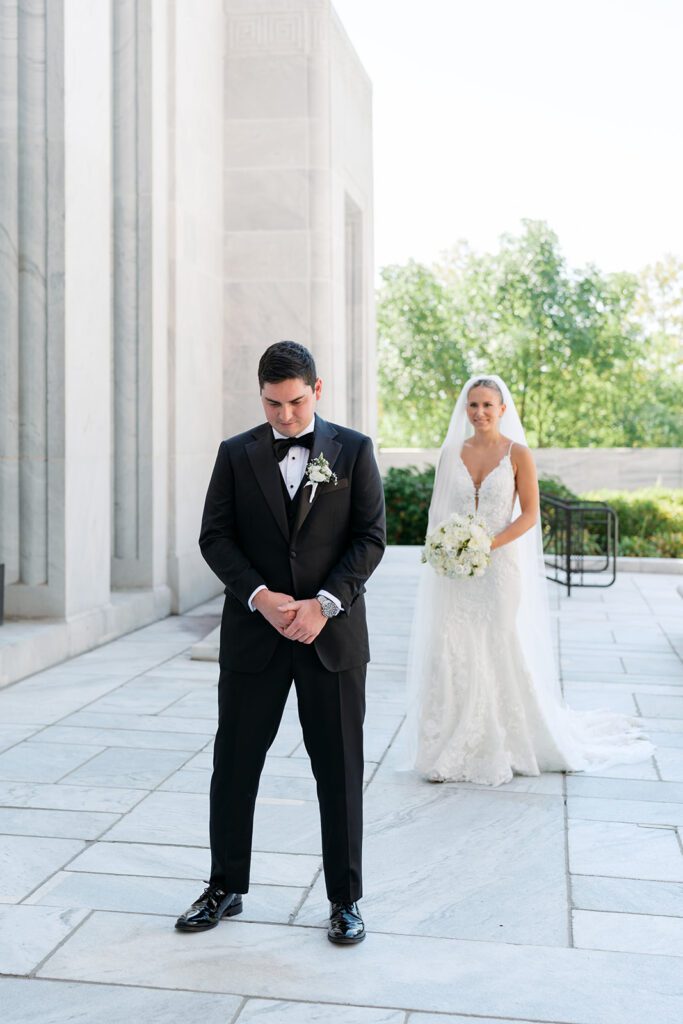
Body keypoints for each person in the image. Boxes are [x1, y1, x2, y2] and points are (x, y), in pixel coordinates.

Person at [175, 341, 386, 944]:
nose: (284, 416)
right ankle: (224, 887)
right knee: (235, 765)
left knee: (339, 770)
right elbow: (214, 538)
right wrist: (260, 596)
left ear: (317, 391)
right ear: (260, 395)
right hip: (255, 636)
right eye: (272, 404)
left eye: (295, 402)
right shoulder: (235, 454)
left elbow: (370, 540)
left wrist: (324, 604)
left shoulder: (355, 450)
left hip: (331, 638)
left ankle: (346, 899)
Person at [406, 374, 653, 786]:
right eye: (473, 405)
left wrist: (487, 544)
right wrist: (448, 548)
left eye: (487, 405)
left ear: (502, 409)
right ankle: (451, 740)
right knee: (454, 646)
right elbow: (440, 513)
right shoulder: (452, 453)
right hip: (459, 571)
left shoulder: (518, 453)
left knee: (499, 643)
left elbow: (530, 515)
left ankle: (505, 739)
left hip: (500, 569)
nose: (480, 412)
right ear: (464, 410)